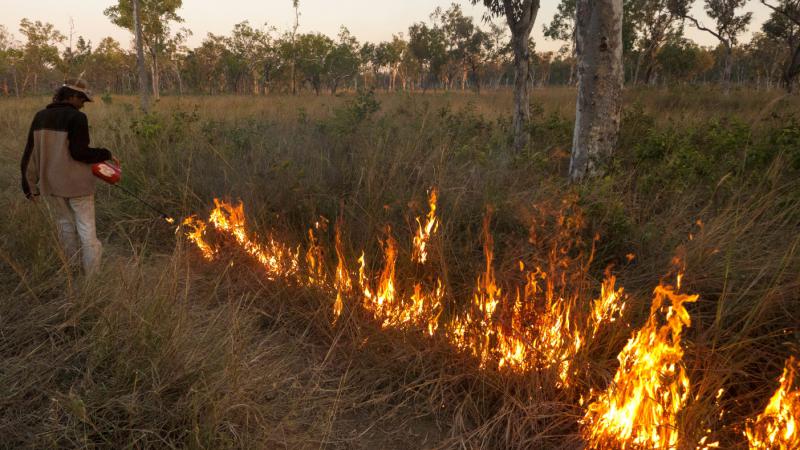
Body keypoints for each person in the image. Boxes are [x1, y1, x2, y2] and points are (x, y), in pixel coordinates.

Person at [20, 79, 115, 275]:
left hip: (51, 186)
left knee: (65, 228)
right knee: (87, 231)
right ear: (70, 96)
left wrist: (29, 186)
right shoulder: (77, 118)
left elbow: (29, 154)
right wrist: (106, 153)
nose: (83, 104)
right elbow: (80, 153)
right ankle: (92, 279)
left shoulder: (40, 117)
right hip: (77, 186)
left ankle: (71, 271)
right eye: (81, 99)